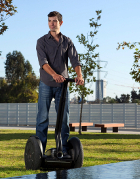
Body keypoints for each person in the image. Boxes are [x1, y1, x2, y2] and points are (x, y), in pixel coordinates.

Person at [36, 11, 84, 158]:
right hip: (46, 83)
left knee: (63, 119)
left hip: (63, 86)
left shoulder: (67, 42)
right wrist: (54, 75)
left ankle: (62, 150)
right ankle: (41, 152)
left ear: (60, 23)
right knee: (43, 117)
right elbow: (43, 63)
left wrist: (79, 75)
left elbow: (75, 61)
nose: (52, 23)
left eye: (55, 21)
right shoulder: (42, 41)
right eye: (50, 21)